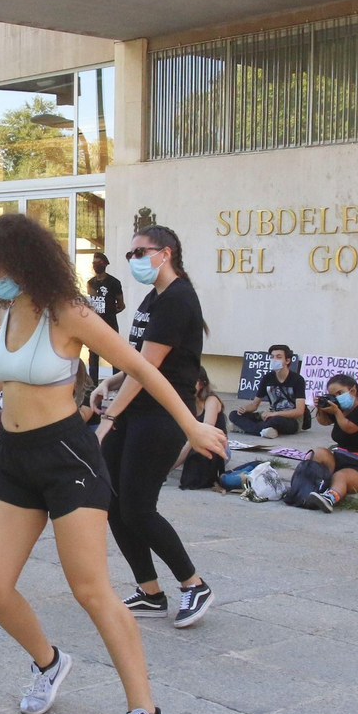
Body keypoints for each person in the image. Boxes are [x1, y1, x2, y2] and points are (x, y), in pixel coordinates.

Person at [0, 213, 227, 714]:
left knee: (91, 589)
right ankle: (49, 661)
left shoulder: (70, 312)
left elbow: (143, 367)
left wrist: (193, 423)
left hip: (68, 459)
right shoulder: (10, 308)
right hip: (14, 458)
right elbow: (15, 371)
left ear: (22, 264)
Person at [90, 224, 216, 630]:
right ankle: (150, 591)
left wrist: (108, 418)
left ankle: (194, 584)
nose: (134, 261)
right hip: (133, 411)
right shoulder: (153, 297)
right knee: (112, 504)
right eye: (130, 255)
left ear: (166, 253)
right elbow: (134, 358)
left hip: (160, 417)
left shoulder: (178, 299)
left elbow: (147, 371)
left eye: (140, 253)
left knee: (139, 508)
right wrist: (109, 381)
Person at [302, 374, 358, 512]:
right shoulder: (341, 410)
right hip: (338, 459)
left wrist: (336, 411)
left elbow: (349, 428)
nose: (336, 398)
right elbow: (324, 422)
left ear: (353, 391)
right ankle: (304, 487)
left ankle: (329, 499)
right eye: (332, 395)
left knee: (340, 476)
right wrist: (321, 408)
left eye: (339, 393)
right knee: (318, 453)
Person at [228, 344, 305, 438]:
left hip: (291, 419)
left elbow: (300, 411)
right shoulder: (267, 378)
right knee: (234, 414)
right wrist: (245, 409)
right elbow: (254, 405)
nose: (274, 360)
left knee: (275, 420)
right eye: (272, 357)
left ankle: (244, 428)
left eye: (278, 357)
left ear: (287, 360)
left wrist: (274, 414)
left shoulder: (297, 380)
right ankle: (264, 431)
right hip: (270, 415)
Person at [176, 369, 228, 490]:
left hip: (214, 447)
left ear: (202, 384)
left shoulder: (211, 400)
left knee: (194, 449)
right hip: (190, 442)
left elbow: (204, 433)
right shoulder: (187, 401)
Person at [85, 253, 125, 385]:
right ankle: (92, 386)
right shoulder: (91, 283)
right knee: (93, 357)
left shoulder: (114, 283)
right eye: (94, 263)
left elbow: (121, 305)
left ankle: (116, 384)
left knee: (115, 355)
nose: (96, 265)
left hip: (110, 324)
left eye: (99, 263)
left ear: (105, 264)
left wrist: (109, 312)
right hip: (94, 326)